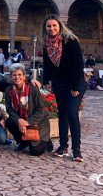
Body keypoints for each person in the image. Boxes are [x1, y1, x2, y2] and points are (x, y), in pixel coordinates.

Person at [42, 14, 86, 162]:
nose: (51, 28)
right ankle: (62, 147)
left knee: (72, 114)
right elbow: (47, 64)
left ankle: (77, 150)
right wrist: (46, 81)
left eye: (54, 25)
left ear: (60, 26)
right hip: (59, 83)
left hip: (75, 83)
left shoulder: (70, 41)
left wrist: (74, 87)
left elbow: (78, 65)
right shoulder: (46, 43)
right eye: (49, 26)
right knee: (62, 114)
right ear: (45, 28)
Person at [5, 63, 53, 156]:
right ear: (11, 76)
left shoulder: (33, 89)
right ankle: (23, 141)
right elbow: (9, 109)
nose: (17, 77)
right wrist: (19, 120)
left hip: (37, 122)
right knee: (9, 122)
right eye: (14, 75)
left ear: (24, 76)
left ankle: (47, 141)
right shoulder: (9, 90)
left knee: (35, 151)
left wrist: (28, 122)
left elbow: (41, 110)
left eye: (19, 75)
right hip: (22, 120)